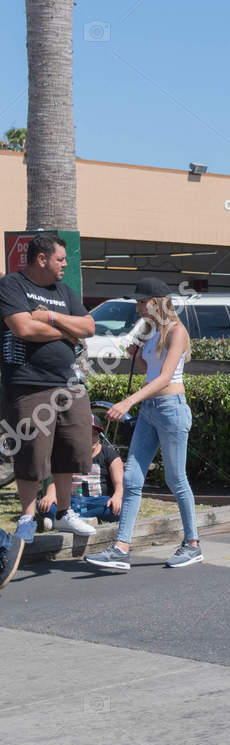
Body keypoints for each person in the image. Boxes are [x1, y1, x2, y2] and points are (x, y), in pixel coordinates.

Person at [84, 278, 202, 571]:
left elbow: (164, 378)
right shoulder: (152, 332)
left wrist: (128, 402)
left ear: (157, 301)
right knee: (133, 479)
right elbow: (150, 372)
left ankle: (192, 544)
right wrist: (135, 358)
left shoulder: (178, 332)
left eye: (141, 302)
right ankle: (121, 548)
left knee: (176, 479)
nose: (137, 307)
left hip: (171, 410)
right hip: (150, 410)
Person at [1, 233, 99, 550]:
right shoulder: (12, 286)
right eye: (60, 259)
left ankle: (63, 511)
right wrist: (67, 332)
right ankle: (28, 517)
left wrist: (53, 317)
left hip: (69, 384)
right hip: (28, 383)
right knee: (32, 451)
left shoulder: (64, 291)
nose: (65, 264)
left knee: (72, 447)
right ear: (42, 259)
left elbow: (89, 327)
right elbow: (23, 328)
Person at [73, 419, 124, 523]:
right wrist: (50, 495)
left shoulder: (109, 454)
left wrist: (117, 497)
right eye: (88, 434)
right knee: (45, 506)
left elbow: (120, 483)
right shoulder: (70, 453)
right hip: (75, 500)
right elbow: (57, 482)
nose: (93, 438)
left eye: (95, 434)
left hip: (100, 501)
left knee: (121, 508)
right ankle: (86, 517)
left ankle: (76, 518)